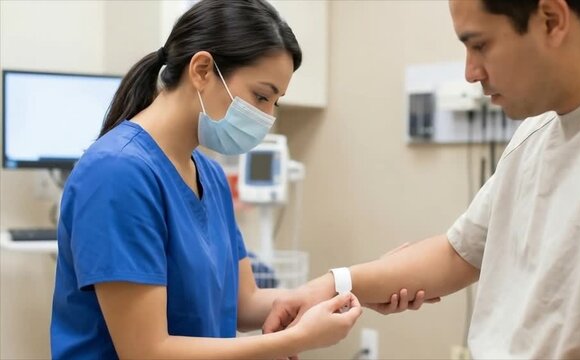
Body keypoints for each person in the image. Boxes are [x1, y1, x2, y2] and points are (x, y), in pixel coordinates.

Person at [264, 0, 580, 358]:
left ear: (551, 20)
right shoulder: (542, 127)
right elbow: (457, 253)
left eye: (479, 45)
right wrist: (335, 285)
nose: (470, 72)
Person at [49, 1, 362, 358]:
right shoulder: (117, 173)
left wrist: (338, 294)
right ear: (201, 70)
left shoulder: (209, 175)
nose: (266, 116)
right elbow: (147, 351)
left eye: (275, 102)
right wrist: (296, 339)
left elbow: (245, 303)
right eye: (261, 96)